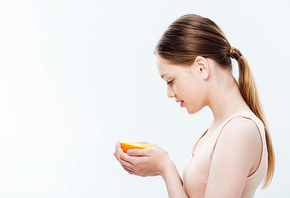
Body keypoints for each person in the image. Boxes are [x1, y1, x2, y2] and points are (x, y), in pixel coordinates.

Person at [114, 14, 275, 198]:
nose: (169, 93)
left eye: (171, 80)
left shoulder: (238, 130)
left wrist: (166, 168)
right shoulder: (222, 128)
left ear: (201, 67)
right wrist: (162, 164)